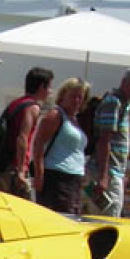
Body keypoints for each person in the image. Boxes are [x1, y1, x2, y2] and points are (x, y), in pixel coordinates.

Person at [88, 68, 130, 217]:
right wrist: (104, 176)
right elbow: (104, 140)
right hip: (106, 172)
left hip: (114, 172)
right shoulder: (113, 103)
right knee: (108, 218)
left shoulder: (124, 105)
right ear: (123, 82)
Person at [0, 66, 53, 200]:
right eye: (49, 87)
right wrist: (20, 171)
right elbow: (22, 138)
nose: (50, 92)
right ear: (42, 86)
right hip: (13, 168)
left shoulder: (16, 103)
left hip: (0, 166)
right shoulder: (32, 107)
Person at [32, 76, 91, 215]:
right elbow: (38, 144)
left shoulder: (75, 120)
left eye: (80, 97)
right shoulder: (55, 115)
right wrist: (39, 174)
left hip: (74, 179)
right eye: (73, 96)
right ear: (64, 95)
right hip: (57, 177)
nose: (76, 101)